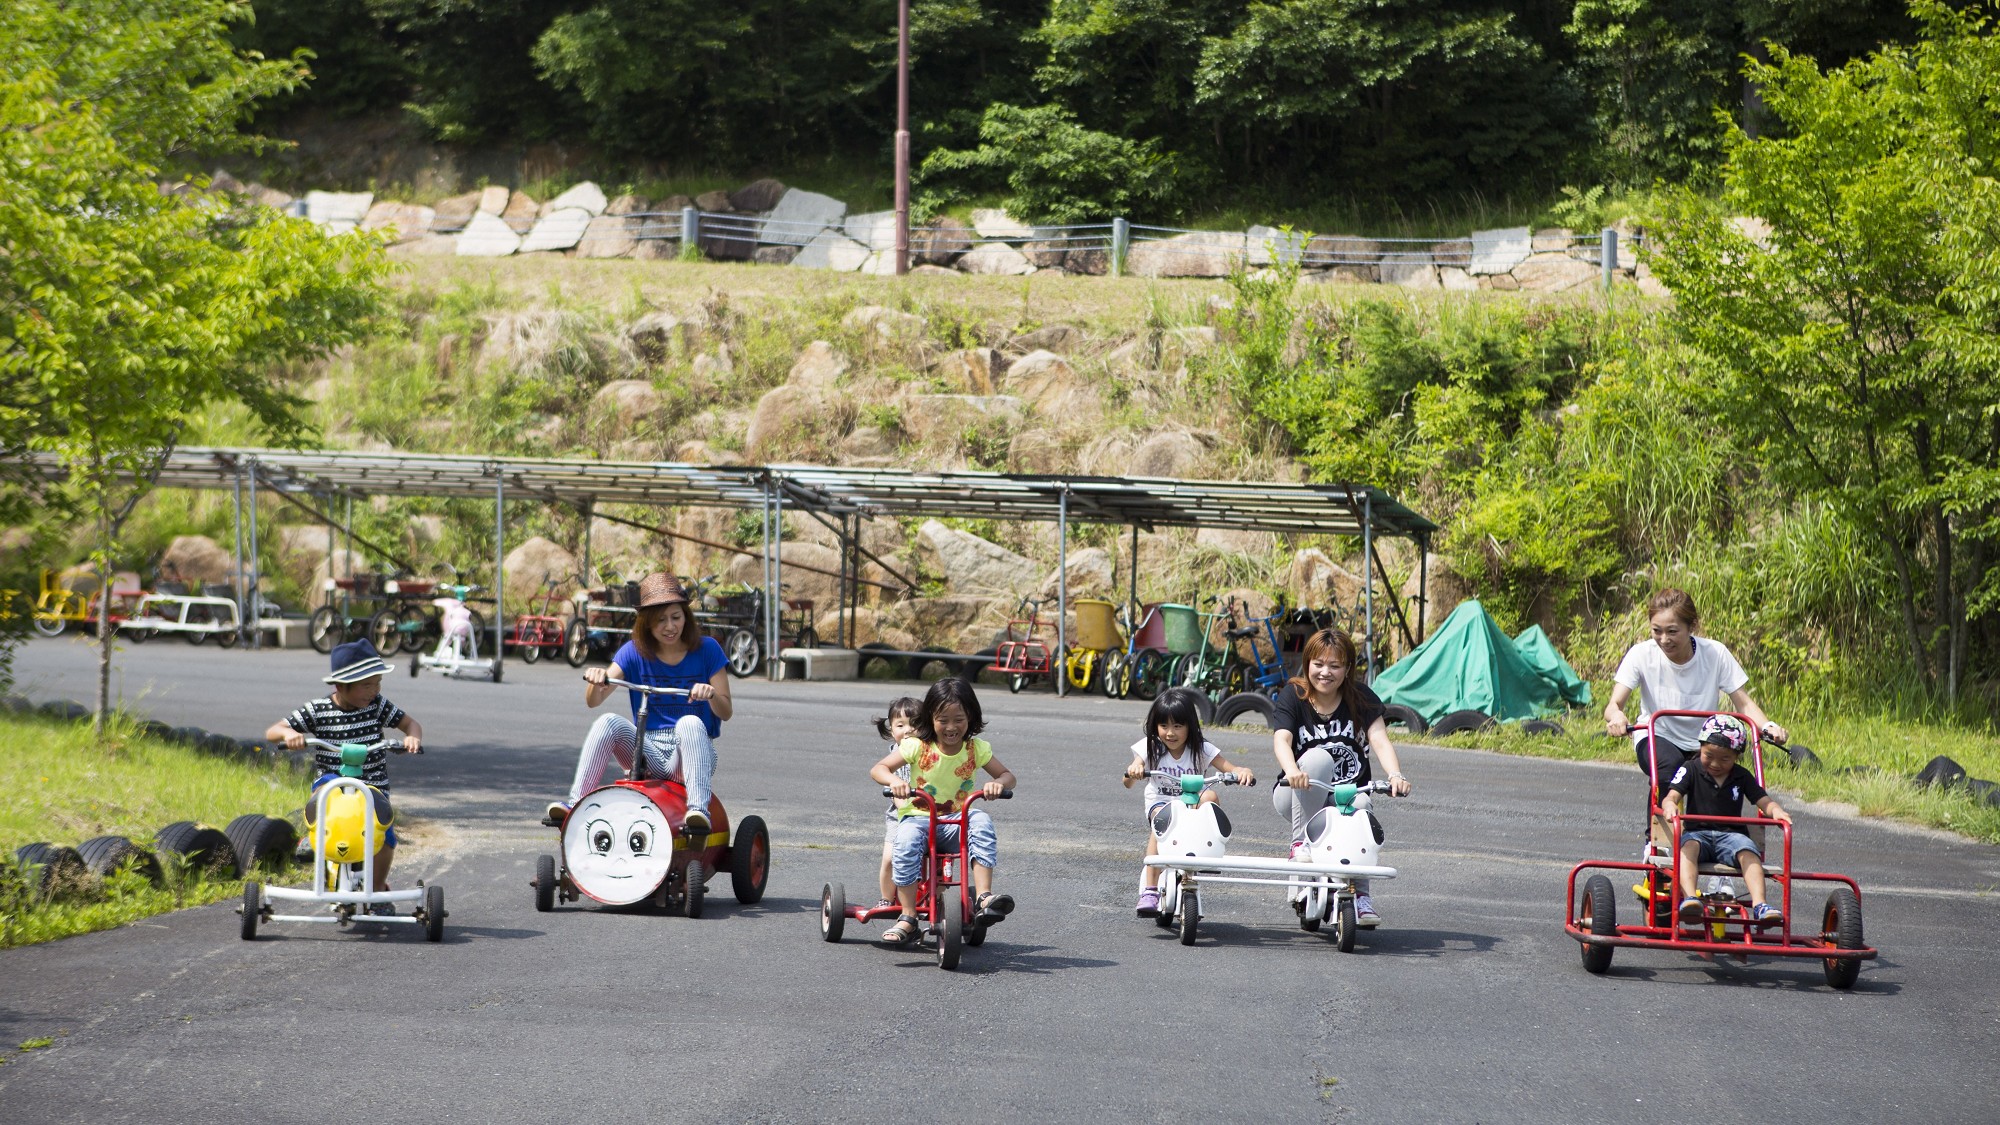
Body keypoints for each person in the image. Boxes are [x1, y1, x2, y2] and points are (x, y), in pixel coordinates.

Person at [546, 572, 731, 835]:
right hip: (649, 752)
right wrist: (598, 681)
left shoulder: (708, 649)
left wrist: (711, 694)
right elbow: (594, 701)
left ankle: (698, 811)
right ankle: (576, 804)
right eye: (660, 621)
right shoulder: (634, 652)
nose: (670, 627)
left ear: (685, 617)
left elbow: (727, 711)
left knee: (689, 722)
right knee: (608, 722)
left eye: (676, 617)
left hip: (690, 753)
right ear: (646, 624)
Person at [1602, 588, 1788, 842]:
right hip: (1658, 735)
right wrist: (1617, 717)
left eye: (1672, 631)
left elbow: (1743, 703)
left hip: (1703, 741)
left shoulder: (1715, 653)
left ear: (1691, 626)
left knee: (1724, 777)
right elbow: (1614, 704)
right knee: (1670, 770)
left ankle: (1714, 845)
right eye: (1656, 630)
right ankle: (1657, 846)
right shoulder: (1641, 654)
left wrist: (1768, 726)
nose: (1664, 639)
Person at [264, 639, 425, 911]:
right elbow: (273, 731)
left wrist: (412, 738)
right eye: (366, 685)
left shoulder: (377, 706)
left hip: (372, 788)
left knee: (385, 839)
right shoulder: (318, 710)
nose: (374, 691)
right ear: (340, 686)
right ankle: (312, 835)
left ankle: (375, 891)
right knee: (322, 796)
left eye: (377, 684)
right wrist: (291, 734)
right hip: (333, 784)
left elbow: (410, 723)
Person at [1271, 627, 1412, 927]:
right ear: (1307, 663)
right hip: (1297, 793)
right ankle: (1300, 846)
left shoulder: (1360, 697)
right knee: (1319, 757)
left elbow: (1380, 740)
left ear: (1347, 668)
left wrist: (1395, 775)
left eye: (1335, 666)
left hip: (1344, 796)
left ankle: (1360, 895)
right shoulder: (1294, 695)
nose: (1325, 672)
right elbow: (1281, 740)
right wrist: (1293, 771)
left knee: (1361, 804)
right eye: (1318, 664)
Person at [868, 677, 1017, 947]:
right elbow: (879, 769)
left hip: (956, 822)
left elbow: (1008, 776)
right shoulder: (916, 746)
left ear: (971, 717)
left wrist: (998, 783)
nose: (951, 727)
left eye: (959, 719)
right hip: (919, 818)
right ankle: (908, 916)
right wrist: (895, 782)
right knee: (906, 841)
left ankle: (983, 898)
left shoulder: (976, 749)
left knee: (981, 819)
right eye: (942, 720)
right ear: (930, 718)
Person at [1122, 687, 1254, 917]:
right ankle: (1150, 890)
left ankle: (1207, 850)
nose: (1170, 733)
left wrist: (1241, 771)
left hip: (1192, 804)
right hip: (1161, 804)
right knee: (1162, 823)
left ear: (1189, 726)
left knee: (1211, 796)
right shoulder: (1150, 746)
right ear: (1155, 726)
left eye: (1177, 726)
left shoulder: (1200, 748)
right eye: (1164, 726)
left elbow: (1229, 768)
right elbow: (1128, 780)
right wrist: (1135, 770)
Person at [1661, 715, 1793, 926]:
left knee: (1749, 853)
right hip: (1698, 833)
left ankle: (1760, 905)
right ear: (1701, 747)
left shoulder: (1741, 776)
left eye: (1725, 759)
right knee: (1688, 848)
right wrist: (1669, 804)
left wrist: (1775, 810)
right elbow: (1672, 795)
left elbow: (1763, 800)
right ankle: (1690, 899)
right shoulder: (1690, 768)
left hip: (1731, 836)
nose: (1715, 764)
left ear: (1736, 757)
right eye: (1709, 755)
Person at [871, 696, 923, 912]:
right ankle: (886, 897)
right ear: (891, 730)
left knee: (938, 860)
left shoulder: (928, 752)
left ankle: (936, 897)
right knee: (890, 858)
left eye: (914, 724)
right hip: (900, 816)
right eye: (900, 725)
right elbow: (894, 790)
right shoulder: (897, 754)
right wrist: (905, 806)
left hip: (929, 814)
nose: (908, 730)